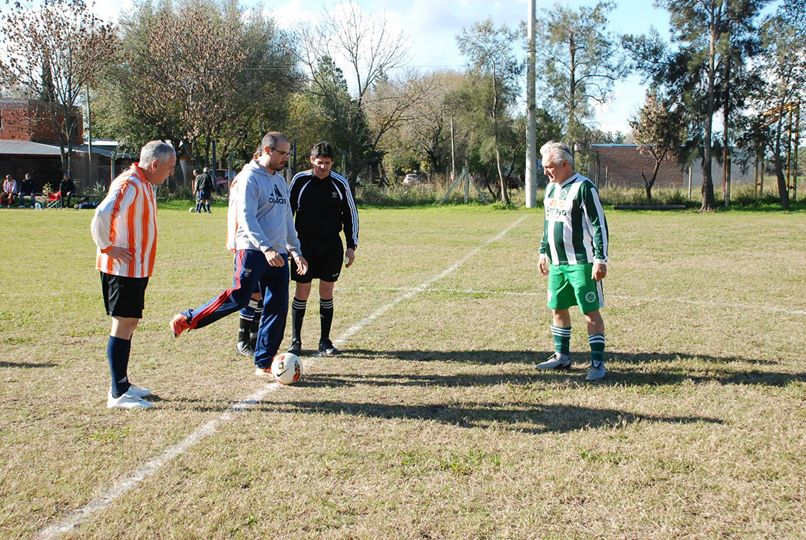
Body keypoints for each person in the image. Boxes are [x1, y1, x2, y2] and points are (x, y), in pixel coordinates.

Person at [170, 132, 308, 377]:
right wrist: (265, 247)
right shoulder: (248, 179)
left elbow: (287, 219)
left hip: (277, 254)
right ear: (267, 150)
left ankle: (264, 361)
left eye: (287, 153)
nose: (286, 158)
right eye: (282, 153)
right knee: (240, 297)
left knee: (277, 307)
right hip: (253, 250)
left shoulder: (279, 180)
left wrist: (295, 251)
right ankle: (188, 319)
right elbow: (246, 218)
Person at [90, 141, 177, 409]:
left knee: (129, 324)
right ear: (155, 164)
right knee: (123, 324)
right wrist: (107, 247)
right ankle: (117, 393)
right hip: (123, 269)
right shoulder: (131, 183)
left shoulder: (143, 182)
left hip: (136, 268)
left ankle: (123, 383)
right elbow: (101, 214)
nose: (171, 173)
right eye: (170, 167)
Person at [535, 141, 609, 381]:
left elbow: (599, 225)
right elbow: (548, 222)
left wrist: (600, 259)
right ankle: (561, 357)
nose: (545, 171)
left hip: (582, 263)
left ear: (564, 163)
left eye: (549, 167)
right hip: (557, 263)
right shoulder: (550, 189)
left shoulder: (584, 188)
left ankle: (597, 363)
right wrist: (543, 251)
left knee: (590, 312)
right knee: (557, 308)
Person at [287, 141, 359, 356]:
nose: (323, 167)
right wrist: (289, 246)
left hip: (331, 245)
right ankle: (295, 341)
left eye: (327, 163)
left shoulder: (339, 182)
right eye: (319, 163)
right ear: (312, 161)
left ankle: (325, 341)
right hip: (304, 246)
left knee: (327, 292)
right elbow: (286, 214)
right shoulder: (299, 181)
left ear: (332, 163)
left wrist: (351, 245)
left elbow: (351, 215)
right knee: (302, 291)